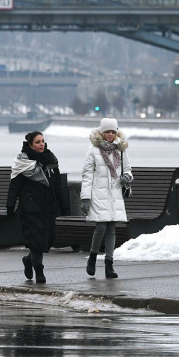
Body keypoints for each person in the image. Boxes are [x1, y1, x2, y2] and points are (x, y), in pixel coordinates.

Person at [7, 131, 69, 283]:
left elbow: (58, 186)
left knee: (45, 241)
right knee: (36, 240)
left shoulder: (51, 161)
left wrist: (65, 206)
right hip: (30, 208)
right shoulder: (23, 163)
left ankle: (28, 260)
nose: (41, 144)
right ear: (30, 145)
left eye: (43, 141)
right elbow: (14, 186)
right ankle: (39, 271)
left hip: (49, 207)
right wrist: (10, 205)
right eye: (37, 142)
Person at [80, 118, 132, 279]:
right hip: (98, 193)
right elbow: (87, 175)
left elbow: (128, 170)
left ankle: (109, 264)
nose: (110, 135)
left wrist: (126, 178)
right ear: (101, 133)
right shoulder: (92, 150)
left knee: (111, 229)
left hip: (115, 193)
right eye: (107, 132)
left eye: (113, 132)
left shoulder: (121, 149)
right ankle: (93, 256)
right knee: (101, 226)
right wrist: (85, 197)